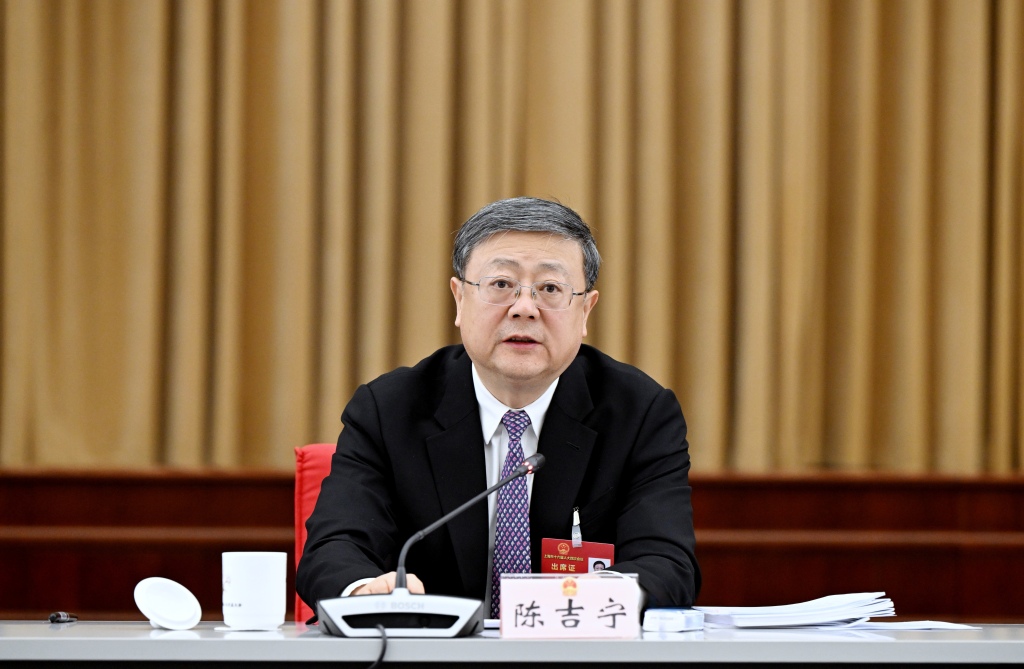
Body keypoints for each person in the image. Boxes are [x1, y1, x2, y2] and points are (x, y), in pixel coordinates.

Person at [297, 197, 700, 617]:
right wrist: (366, 592)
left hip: (574, 649)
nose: (524, 308)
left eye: (550, 289)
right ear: (460, 299)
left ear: (585, 310)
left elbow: (668, 564)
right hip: (432, 653)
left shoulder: (640, 414)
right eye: (501, 284)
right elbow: (335, 549)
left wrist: (591, 597)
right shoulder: (389, 410)